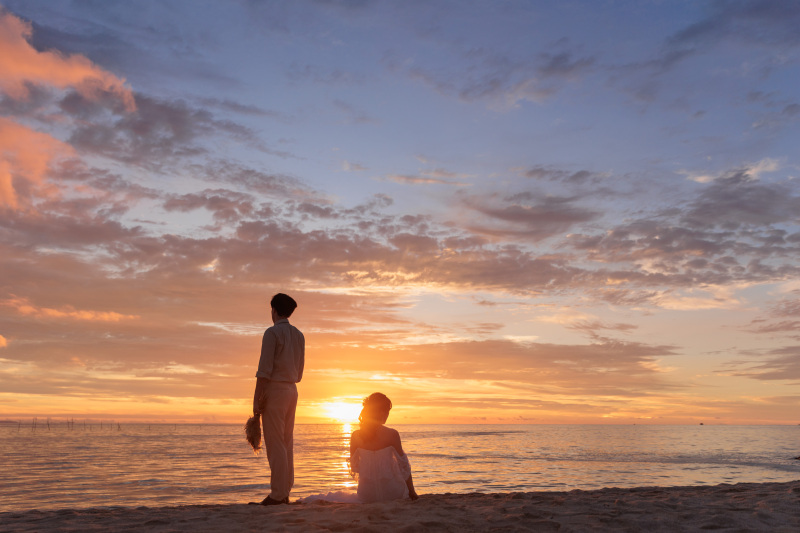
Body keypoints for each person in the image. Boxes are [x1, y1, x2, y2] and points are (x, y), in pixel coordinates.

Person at [251, 293, 305, 506]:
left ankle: (278, 494)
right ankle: (284, 491)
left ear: (274, 310)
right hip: (292, 389)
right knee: (286, 441)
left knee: (275, 443)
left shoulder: (272, 333)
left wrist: (256, 399)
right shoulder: (299, 335)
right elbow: (299, 373)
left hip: (275, 389)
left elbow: (264, 369)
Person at [349, 393, 419, 503]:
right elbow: (404, 466)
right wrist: (412, 491)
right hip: (392, 493)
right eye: (387, 411)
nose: (387, 415)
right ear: (381, 412)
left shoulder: (355, 436)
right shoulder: (392, 434)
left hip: (366, 494)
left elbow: (354, 467)